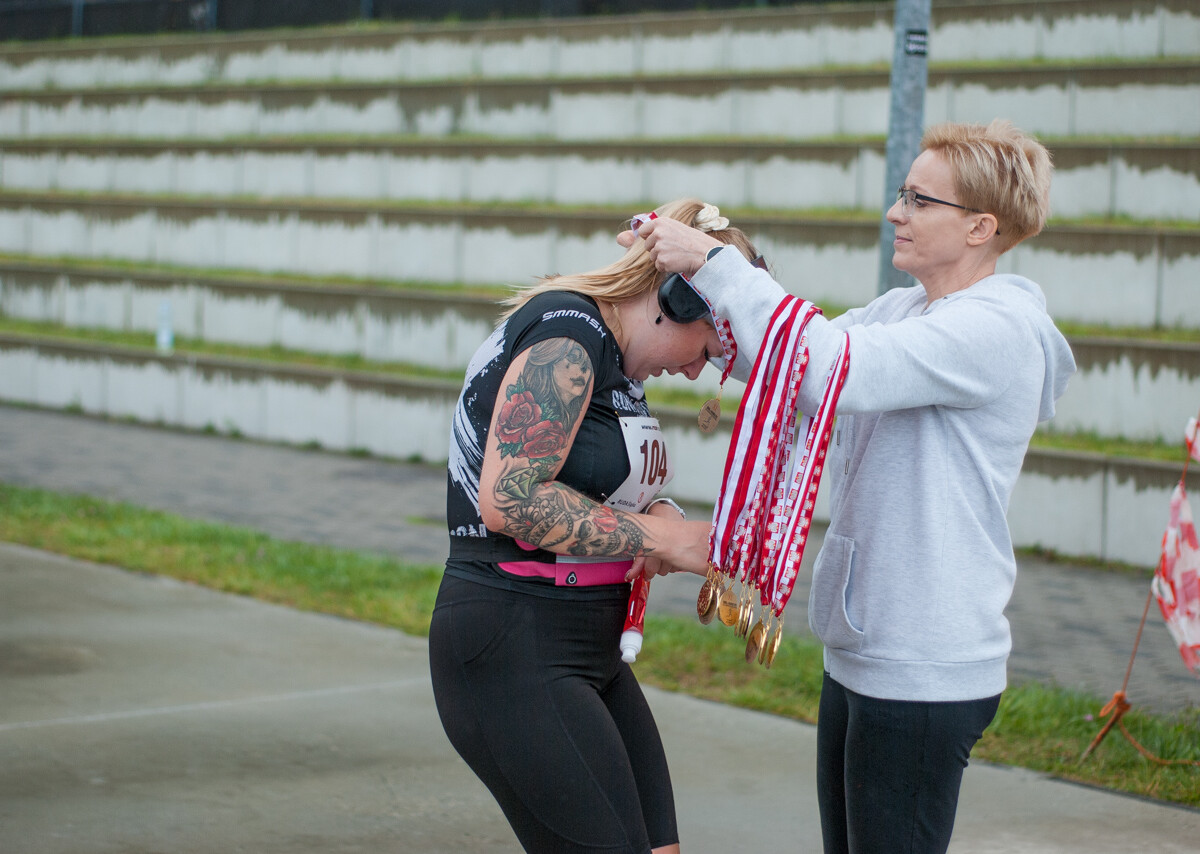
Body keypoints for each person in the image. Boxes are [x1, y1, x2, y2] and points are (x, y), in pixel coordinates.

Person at [624, 120, 1077, 854]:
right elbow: (788, 361)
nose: (896, 212)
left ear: (980, 227)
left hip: (922, 664)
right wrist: (685, 299)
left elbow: (829, 367)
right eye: (903, 193)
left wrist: (715, 264)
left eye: (920, 200)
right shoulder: (905, 311)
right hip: (872, 651)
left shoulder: (996, 329)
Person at [428, 198, 763, 854]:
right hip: (515, 638)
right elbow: (511, 499)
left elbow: (586, 483)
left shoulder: (613, 358)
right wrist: (667, 539)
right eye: (707, 348)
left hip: (583, 642)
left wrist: (657, 516)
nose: (697, 371)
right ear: (676, 298)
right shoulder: (569, 338)